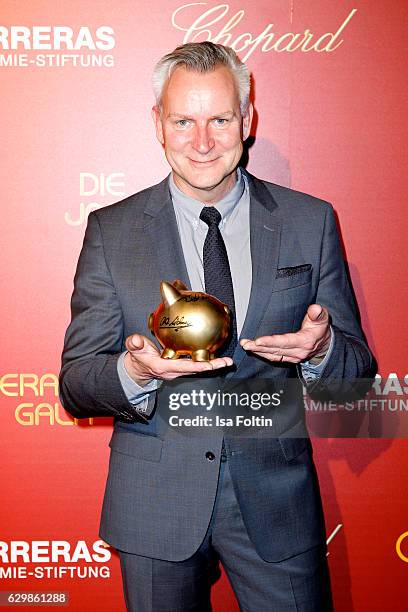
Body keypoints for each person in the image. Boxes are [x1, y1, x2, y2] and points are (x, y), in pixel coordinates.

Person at [59, 42, 374, 611]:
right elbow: (76, 384)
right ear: (158, 124)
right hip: (155, 505)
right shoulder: (111, 231)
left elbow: (356, 379)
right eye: (183, 120)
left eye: (220, 119)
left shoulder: (311, 221)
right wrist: (134, 371)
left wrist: (323, 348)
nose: (202, 142)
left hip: (277, 504)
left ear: (247, 120)